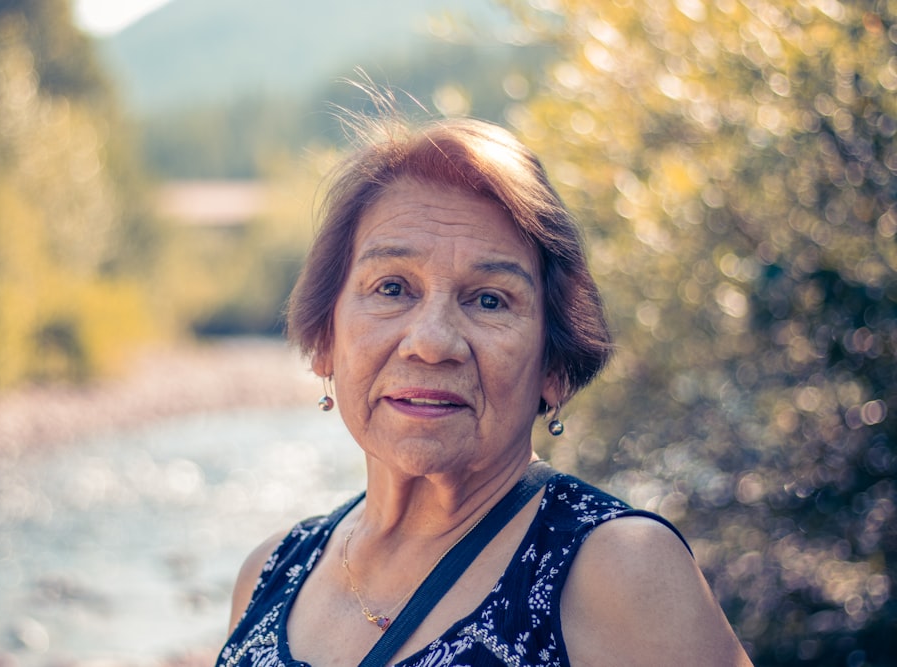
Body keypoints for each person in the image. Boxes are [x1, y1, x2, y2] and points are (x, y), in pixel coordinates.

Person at [215, 112, 753, 666]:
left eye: (489, 299)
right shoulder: (271, 573)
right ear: (327, 339)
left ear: (553, 363)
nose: (431, 342)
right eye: (392, 287)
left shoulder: (619, 567)